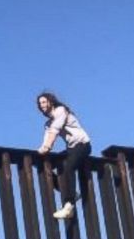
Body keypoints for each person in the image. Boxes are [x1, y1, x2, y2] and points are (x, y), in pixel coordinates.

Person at [36, 92, 92, 220]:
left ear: (51, 101)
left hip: (83, 145)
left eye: (44, 102)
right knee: (45, 166)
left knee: (69, 168)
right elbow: (47, 137)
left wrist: (46, 148)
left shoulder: (61, 111)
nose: (42, 105)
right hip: (71, 148)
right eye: (40, 104)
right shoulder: (48, 123)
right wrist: (42, 150)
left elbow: (55, 130)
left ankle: (69, 205)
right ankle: (73, 193)